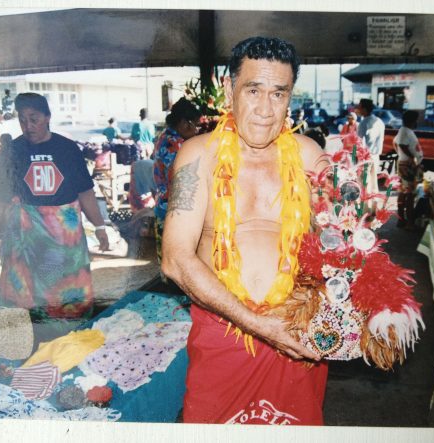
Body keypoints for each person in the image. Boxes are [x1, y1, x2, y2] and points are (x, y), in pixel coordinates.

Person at [161, 36, 328, 425]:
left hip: (296, 333)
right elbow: (175, 259)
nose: (266, 110)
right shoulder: (198, 155)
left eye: (278, 93)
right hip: (223, 333)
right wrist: (259, 325)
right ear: (228, 89)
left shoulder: (309, 156)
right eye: (253, 90)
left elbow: (345, 248)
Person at [0, 93, 109, 340]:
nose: (28, 126)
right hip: (25, 240)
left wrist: (100, 227)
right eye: (23, 120)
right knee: (23, 299)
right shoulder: (12, 152)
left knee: (66, 297)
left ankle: (69, 340)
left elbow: (85, 193)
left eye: (34, 119)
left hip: (63, 244)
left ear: (48, 117)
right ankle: (32, 343)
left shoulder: (67, 149)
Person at [153, 97, 201, 264]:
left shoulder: (164, 137)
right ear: (183, 123)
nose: (197, 130)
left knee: (167, 262)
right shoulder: (180, 146)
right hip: (176, 212)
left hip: (162, 207)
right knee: (179, 264)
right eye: (196, 125)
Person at [393, 110, 423, 229]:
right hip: (407, 166)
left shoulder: (404, 130)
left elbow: (396, 143)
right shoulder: (405, 130)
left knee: (404, 192)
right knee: (409, 195)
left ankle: (401, 220)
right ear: (413, 120)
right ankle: (409, 223)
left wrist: (402, 156)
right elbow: (401, 145)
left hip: (405, 164)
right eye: (416, 119)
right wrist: (411, 158)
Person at [356, 98, 385, 194]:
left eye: (359, 107)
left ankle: (364, 207)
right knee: (373, 183)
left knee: (364, 183)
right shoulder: (379, 121)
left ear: (364, 109)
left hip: (365, 157)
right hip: (375, 157)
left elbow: (358, 142)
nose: (358, 109)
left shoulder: (364, 123)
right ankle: (372, 207)